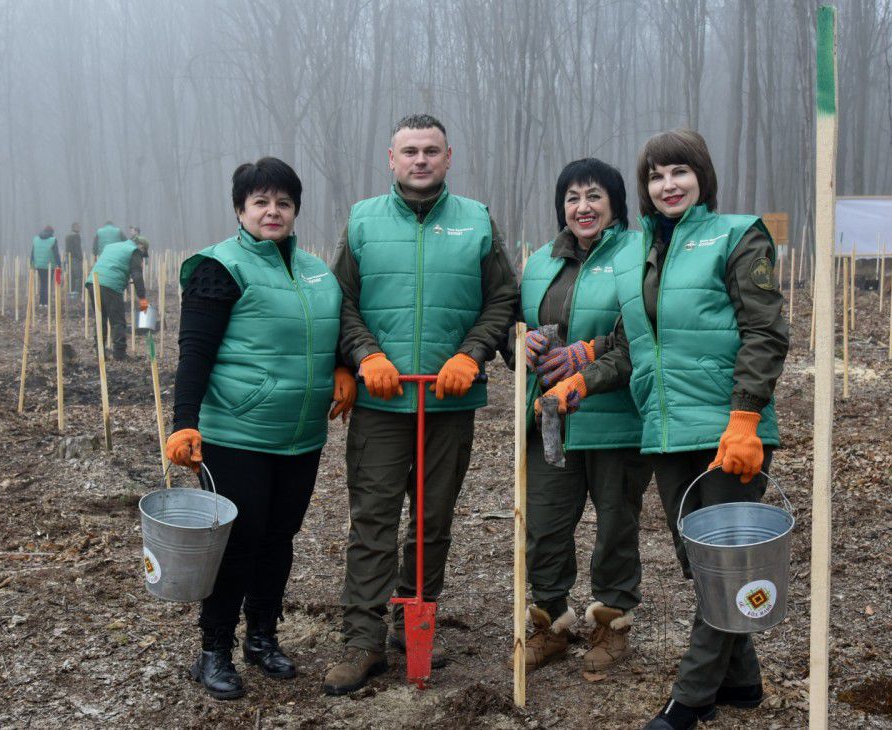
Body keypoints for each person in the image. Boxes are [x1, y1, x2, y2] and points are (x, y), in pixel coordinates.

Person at [538, 129, 788, 730]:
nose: (667, 185)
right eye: (655, 176)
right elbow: (631, 347)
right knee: (700, 563)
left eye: (679, 172)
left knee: (726, 563)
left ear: (701, 176)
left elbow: (766, 333)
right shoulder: (638, 252)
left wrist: (747, 417)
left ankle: (690, 699)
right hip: (667, 430)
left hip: (729, 428)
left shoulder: (737, 235)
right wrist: (583, 379)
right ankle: (743, 682)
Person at [324, 113, 517, 695]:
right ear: (391, 158)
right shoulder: (362, 220)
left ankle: (416, 623)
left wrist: (472, 353)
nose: (420, 160)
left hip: (447, 401)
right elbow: (341, 299)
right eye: (409, 150)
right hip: (383, 404)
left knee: (432, 522)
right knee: (373, 521)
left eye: (431, 150)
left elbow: (502, 297)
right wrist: (363, 355)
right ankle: (362, 640)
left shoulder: (477, 222)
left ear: (449, 156)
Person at [163, 157, 354, 701]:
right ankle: (213, 651)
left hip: (301, 435)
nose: (273, 211)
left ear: (296, 210)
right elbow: (194, 351)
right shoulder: (218, 267)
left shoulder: (317, 271)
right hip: (236, 433)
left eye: (284, 203)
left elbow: (332, 330)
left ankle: (262, 638)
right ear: (240, 209)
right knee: (237, 544)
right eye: (261, 202)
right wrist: (184, 423)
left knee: (278, 540)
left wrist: (343, 367)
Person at [517, 159, 652, 674]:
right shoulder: (539, 264)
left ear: (615, 203)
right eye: (572, 197)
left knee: (616, 523)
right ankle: (550, 624)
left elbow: (644, 334)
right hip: (552, 418)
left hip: (615, 417)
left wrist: (591, 354)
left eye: (594, 195)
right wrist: (522, 341)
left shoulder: (638, 256)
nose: (583, 207)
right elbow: (519, 324)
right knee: (546, 525)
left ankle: (611, 624)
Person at [85, 233, 148, 360]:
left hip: (93, 282)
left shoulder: (112, 246)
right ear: (140, 246)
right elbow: (137, 275)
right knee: (117, 321)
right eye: (143, 252)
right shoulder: (134, 251)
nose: (142, 256)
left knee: (100, 318)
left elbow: (114, 265)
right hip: (110, 286)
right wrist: (142, 298)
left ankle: (100, 354)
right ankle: (119, 354)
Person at [30, 226, 61, 305]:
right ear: (51, 232)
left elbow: (32, 252)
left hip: (39, 265)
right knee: (47, 284)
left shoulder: (36, 239)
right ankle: (46, 303)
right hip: (49, 265)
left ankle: (41, 302)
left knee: (42, 283)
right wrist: (59, 264)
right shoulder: (53, 240)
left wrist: (32, 263)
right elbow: (56, 254)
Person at [64, 223, 83, 296]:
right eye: (78, 227)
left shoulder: (67, 236)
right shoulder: (76, 236)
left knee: (71, 276)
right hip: (75, 258)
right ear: (75, 227)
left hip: (68, 258)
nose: (79, 228)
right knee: (78, 276)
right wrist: (80, 257)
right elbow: (77, 248)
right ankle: (76, 293)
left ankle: (71, 292)